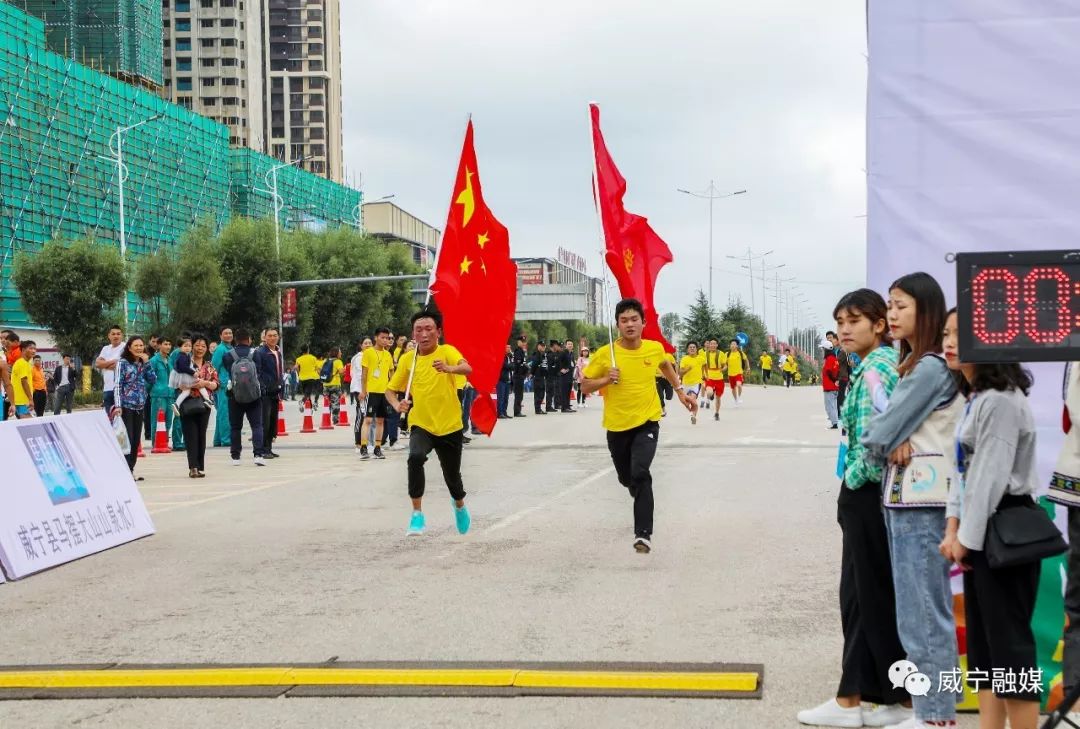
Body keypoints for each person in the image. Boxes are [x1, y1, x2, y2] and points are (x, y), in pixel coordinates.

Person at [798, 289, 909, 729]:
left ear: (879, 325)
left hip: (868, 495)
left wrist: (855, 478)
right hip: (870, 495)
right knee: (866, 595)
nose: (844, 329)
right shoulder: (869, 366)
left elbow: (881, 437)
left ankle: (853, 701)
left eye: (855, 320)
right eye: (840, 321)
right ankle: (880, 697)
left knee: (864, 596)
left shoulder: (879, 368)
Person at [862, 273, 960, 729]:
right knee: (917, 611)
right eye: (890, 304)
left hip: (922, 504)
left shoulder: (930, 368)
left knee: (923, 613)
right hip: (906, 500)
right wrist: (890, 439)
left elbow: (879, 432)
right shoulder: (917, 365)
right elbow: (889, 432)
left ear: (925, 310)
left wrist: (886, 439)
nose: (893, 314)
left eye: (900, 305)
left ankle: (936, 714)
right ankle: (932, 710)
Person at [937, 312, 1040, 729]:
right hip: (983, 532)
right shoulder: (978, 398)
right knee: (983, 651)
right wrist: (952, 526)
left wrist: (964, 538)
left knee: (1010, 651)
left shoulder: (999, 400)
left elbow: (989, 479)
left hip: (1004, 529)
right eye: (946, 334)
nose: (948, 342)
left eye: (961, 335)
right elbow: (963, 475)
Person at [581, 298, 695, 554]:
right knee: (627, 479)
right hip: (617, 426)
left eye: (634, 319)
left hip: (647, 422)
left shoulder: (653, 349)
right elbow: (584, 386)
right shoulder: (605, 354)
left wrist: (680, 391)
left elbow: (666, 365)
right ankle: (639, 495)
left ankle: (643, 534)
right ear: (618, 325)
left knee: (641, 472)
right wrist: (605, 380)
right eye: (624, 320)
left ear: (643, 323)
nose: (630, 324)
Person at [385, 310, 473, 537]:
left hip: (450, 425)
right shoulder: (408, 360)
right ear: (413, 334)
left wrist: (449, 368)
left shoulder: (447, 351)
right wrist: (397, 405)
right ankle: (417, 514)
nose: (423, 334)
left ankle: (459, 504)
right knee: (415, 458)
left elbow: (467, 368)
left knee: (452, 476)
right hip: (421, 423)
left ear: (439, 332)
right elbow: (390, 390)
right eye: (418, 330)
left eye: (428, 329)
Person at [220, 329, 266, 467]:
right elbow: (259, 372)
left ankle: (236, 457)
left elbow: (228, 372)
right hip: (254, 396)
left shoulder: (228, 355)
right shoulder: (256, 354)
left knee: (235, 427)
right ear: (249, 339)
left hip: (235, 395)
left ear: (236, 339)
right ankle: (258, 454)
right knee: (257, 425)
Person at [176, 335, 219, 478]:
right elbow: (176, 382)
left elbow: (216, 384)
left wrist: (205, 384)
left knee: (201, 436)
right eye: (197, 345)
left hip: (204, 404)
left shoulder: (209, 366)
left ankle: (200, 467)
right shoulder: (183, 362)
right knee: (190, 435)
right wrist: (185, 385)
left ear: (207, 349)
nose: (200, 348)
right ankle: (193, 467)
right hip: (187, 403)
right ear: (191, 346)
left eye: (203, 346)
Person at [115, 336, 156, 477]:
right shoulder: (123, 363)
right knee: (128, 439)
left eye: (141, 345)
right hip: (126, 406)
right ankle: (124, 470)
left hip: (139, 406)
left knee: (136, 441)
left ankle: (130, 469)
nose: (139, 348)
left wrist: (147, 363)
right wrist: (118, 405)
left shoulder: (142, 363)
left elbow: (152, 379)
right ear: (129, 347)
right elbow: (118, 385)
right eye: (136, 345)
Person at [358, 328, 394, 460]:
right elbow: (364, 374)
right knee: (367, 420)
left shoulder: (388, 355)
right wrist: (363, 391)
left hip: (384, 392)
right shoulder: (368, 353)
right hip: (371, 391)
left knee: (380, 420)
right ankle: (363, 447)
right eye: (383, 337)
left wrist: (392, 392)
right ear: (376, 338)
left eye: (387, 338)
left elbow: (392, 375)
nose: (385, 340)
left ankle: (378, 448)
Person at [256, 327, 284, 459]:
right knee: (265, 421)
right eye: (270, 336)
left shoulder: (277, 352)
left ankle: (269, 448)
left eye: (275, 335)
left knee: (273, 421)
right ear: (264, 338)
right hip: (265, 392)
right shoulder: (261, 352)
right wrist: (263, 387)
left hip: (275, 391)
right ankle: (262, 449)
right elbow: (258, 372)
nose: (273, 338)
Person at [210, 326, 235, 448]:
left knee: (223, 412)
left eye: (230, 333)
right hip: (223, 385)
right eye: (226, 333)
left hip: (231, 384)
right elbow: (214, 367)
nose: (229, 335)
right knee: (224, 412)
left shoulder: (231, 348)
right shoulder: (220, 349)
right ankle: (226, 439)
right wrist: (218, 383)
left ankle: (218, 439)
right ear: (220, 335)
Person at [147, 339, 174, 442]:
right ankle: (156, 442)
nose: (168, 346)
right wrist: (151, 391)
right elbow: (149, 378)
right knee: (157, 420)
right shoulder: (153, 360)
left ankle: (164, 442)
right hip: (158, 394)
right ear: (159, 346)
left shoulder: (170, 359)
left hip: (170, 394)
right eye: (165, 344)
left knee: (168, 421)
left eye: (169, 344)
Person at [95, 324, 125, 412]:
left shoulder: (125, 347)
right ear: (109, 335)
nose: (116, 336)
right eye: (113, 334)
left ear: (122, 335)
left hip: (121, 389)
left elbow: (120, 365)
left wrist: (104, 364)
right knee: (109, 418)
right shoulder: (105, 348)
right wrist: (113, 361)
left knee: (121, 419)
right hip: (107, 389)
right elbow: (97, 364)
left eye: (118, 334)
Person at [679, 342, 704, 424]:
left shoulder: (701, 359)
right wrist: (687, 369)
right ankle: (692, 413)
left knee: (693, 400)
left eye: (694, 347)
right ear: (687, 350)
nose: (692, 348)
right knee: (688, 402)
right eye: (690, 347)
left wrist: (705, 375)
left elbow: (705, 367)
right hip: (686, 384)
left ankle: (693, 415)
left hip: (696, 384)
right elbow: (680, 373)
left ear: (696, 349)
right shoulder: (684, 359)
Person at [702, 338, 728, 419]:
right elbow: (701, 365)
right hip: (709, 377)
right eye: (711, 343)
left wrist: (723, 369)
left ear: (717, 345)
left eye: (714, 344)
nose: (712, 345)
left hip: (719, 378)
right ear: (709, 345)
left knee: (718, 397)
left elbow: (725, 365)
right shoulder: (705, 354)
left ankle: (717, 413)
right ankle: (711, 393)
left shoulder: (721, 354)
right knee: (709, 393)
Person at [10, 340, 35, 419]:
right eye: (31, 348)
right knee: (28, 426)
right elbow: (24, 381)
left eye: (35, 349)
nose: (33, 351)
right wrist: (30, 399)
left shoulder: (25, 363)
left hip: (22, 401)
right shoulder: (22, 363)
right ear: (23, 350)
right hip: (22, 401)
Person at [295, 345, 321, 410]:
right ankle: (302, 401)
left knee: (307, 393)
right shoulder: (313, 358)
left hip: (302, 378)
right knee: (308, 393)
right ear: (308, 350)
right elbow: (317, 369)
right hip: (311, 378)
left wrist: (299, 373)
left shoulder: (299, 359)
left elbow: (296, 367)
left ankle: (310, 408)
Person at [323, 347, 345, 423]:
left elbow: (319, 370)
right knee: (335, 402)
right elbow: (341, 372)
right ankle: (335, 419)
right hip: (335, 384)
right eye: (340, 352)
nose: (341, 353)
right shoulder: (338, 361)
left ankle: (326, 418)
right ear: (337, 353)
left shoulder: (326, 360)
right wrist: (344, 370)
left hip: (325, 384)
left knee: (327, 401)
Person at [821, 343, 841, 429]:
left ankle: (834, 423)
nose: (822, 351)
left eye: (823, 349)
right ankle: (835, 422)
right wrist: (836, 381)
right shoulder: (835, 359)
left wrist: (834, 381)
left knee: (829, 406)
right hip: (834, 387)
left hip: (829, 387)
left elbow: (828, 371)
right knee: (834, 406)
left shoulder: (829, 359)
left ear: (826, 350)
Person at [726, 340, 749, 407]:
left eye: (734, 344)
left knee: (739, 385)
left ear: (737, 346)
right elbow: (724, 363)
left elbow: (746, 360)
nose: (732, 345)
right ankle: (736, 400)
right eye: (731, 344)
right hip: (730, 374)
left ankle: (739, 397)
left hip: (739, 373)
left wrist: (748, 368)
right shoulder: (727, 354)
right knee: (733, 388)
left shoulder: (740, 353)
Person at [529, 340, 550, 415]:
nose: (543, 347)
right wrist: (531, 373)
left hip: (542, 376)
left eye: (544, 346)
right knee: (538, 393)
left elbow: (545, 366)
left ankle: (539, 408)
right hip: (538, 376)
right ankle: (537, 409)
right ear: (538, 346)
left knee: (542, 393)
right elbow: (534, 365)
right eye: (541, 346)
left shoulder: (543, 355)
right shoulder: (536, 355)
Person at [654, 349, 676, 417]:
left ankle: (663, 404)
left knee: (669, 396)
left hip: (667, 378)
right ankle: (663, 410)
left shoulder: (669, 355)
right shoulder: (654, 355)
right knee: (660, 395)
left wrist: (675, 376)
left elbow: (674, 366)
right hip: (657, 378)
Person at [512, 335, 529, 417]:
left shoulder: (522, 351)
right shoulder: (518, 351)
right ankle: (517, 411)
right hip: (518, 376)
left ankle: (518, 410)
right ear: (518, 342)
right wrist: (525, 367)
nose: (523, 343)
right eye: (521, 342)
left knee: (520, 394)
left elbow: (523, 363)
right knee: (518, 394)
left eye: (524, 342)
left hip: (521, 376)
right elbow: (519, 364)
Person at [497, 344, 514, 418]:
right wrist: (511, 365)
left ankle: (504, 412)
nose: (509, 349)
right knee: (501, 397)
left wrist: (511, 364)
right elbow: (506, 366)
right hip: (501, 380)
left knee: (506, 398)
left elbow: (513, 366)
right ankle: (500, 413)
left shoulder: (509, 357)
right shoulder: (501, 357)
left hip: (508, 380)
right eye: (507, 347)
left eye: (510, 347)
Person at [560, 340, 576, 412]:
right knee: (564, 391)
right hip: (564, 375)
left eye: (571, 344)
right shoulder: (563, 353)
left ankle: (567, 406)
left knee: (568, 391)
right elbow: (558, 362)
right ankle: (564, 408)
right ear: (566, 345)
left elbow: (572, 363)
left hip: (570, 375)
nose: (570, 345)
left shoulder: (571, 354)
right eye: (568, 344)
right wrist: (561, 369)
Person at [545, 340, 560, 412]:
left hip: (553, 376)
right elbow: (550, 367)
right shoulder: (550, 355)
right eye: (556, 345)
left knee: (552, 392)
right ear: (553, 345)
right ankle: (548, 406)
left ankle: (550, 406)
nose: (557, 346)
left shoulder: (554, 354)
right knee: (550, 391)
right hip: (550, 376)